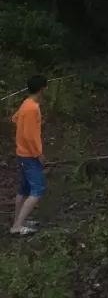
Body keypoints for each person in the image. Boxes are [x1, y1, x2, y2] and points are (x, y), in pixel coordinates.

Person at [10, 75, 48, 235]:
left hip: (22, 153)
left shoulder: (26, 103)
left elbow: (14, 118)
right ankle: (17, 227)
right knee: (38, 189)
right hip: (29, 155)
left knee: (24, 189)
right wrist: (38, 154)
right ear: (42, 89)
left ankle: (19, 220)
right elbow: (29, 136)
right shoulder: (33, 108)